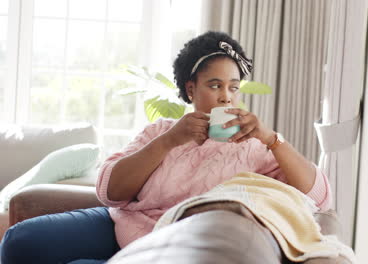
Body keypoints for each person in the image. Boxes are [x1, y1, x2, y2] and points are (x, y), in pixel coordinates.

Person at [0, 31, 332, 264]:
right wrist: (170, 140)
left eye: (233, 87)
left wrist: (271, 139)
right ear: (191, 89)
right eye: (214, 85)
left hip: (177, 238)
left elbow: (319, 197)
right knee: (21, 241)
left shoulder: (255, 146)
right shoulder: (161, 131)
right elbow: (109, 190)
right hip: (123, 223)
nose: (226, 96)